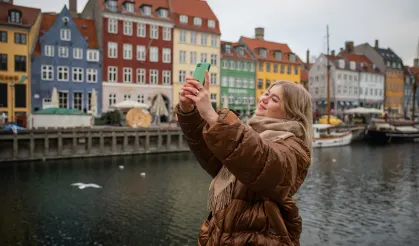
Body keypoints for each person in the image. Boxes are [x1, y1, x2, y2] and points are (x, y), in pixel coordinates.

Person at [176, 71, 312, 246]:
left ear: (292, 112)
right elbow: (214, 157)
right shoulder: (252, 135)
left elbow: (264, 161)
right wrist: (190, 112)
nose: (264, 98)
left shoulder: (295, 149)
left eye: (274, 99)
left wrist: (212, 116)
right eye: (267, 93)